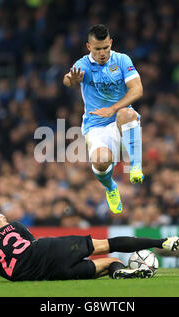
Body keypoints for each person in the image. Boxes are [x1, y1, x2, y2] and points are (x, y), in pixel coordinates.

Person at [0, 211, 179, 284]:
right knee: (107, 246)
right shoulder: (15, 227)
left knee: (107, 264)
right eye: (4, 219)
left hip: (47, 275)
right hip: (50, 250)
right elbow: (31, 244)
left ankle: (118, 271)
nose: (7, 220)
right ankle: (161, 243)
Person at [63, 24, 144, 214]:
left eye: (106, 47)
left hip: (120, 120)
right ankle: (110, 188)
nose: (102, 53)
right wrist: (72, 80)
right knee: (100, 161)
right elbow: (68, 79)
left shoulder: (122, 60)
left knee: (127, 113)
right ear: (89, 47)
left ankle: (136, 166)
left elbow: (137, 89)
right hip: (95, 125)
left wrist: (113, 109)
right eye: (98, 49)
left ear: (111, 43)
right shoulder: (83, 64)